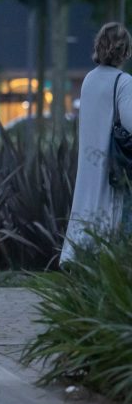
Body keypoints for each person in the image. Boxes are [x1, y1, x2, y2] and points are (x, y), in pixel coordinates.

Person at [65, 23, 132, 261]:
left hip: (91, 163)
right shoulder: (123, 82)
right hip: (117, 169)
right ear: (125, 51)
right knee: (119, 223)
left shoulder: (88, 80)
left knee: (88, 213)